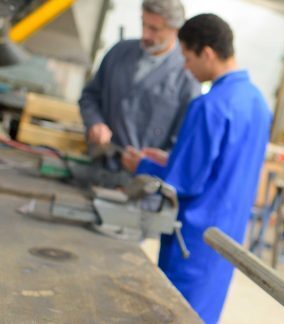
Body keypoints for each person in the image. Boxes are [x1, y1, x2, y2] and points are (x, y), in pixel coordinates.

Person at [121, 14, 272, 323]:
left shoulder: (209, 105)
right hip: (226, 239)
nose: (186, 68)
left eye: (187, 59)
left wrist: (143, 164)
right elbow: (224, 165)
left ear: (207, 53)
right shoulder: (258, 104)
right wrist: (172, 157)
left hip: (191, 240)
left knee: (174, 312)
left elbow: (183, 182)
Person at [79, 0, 200, 167]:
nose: (145, 35)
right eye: (143, 24)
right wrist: (95, 122)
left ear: (176, 30)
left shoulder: (188, 75)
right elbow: (90, 96)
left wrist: (150, 165)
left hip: (142, 181)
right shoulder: (118, 53)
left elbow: (183, 140)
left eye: (154, 29)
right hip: (99, 163)